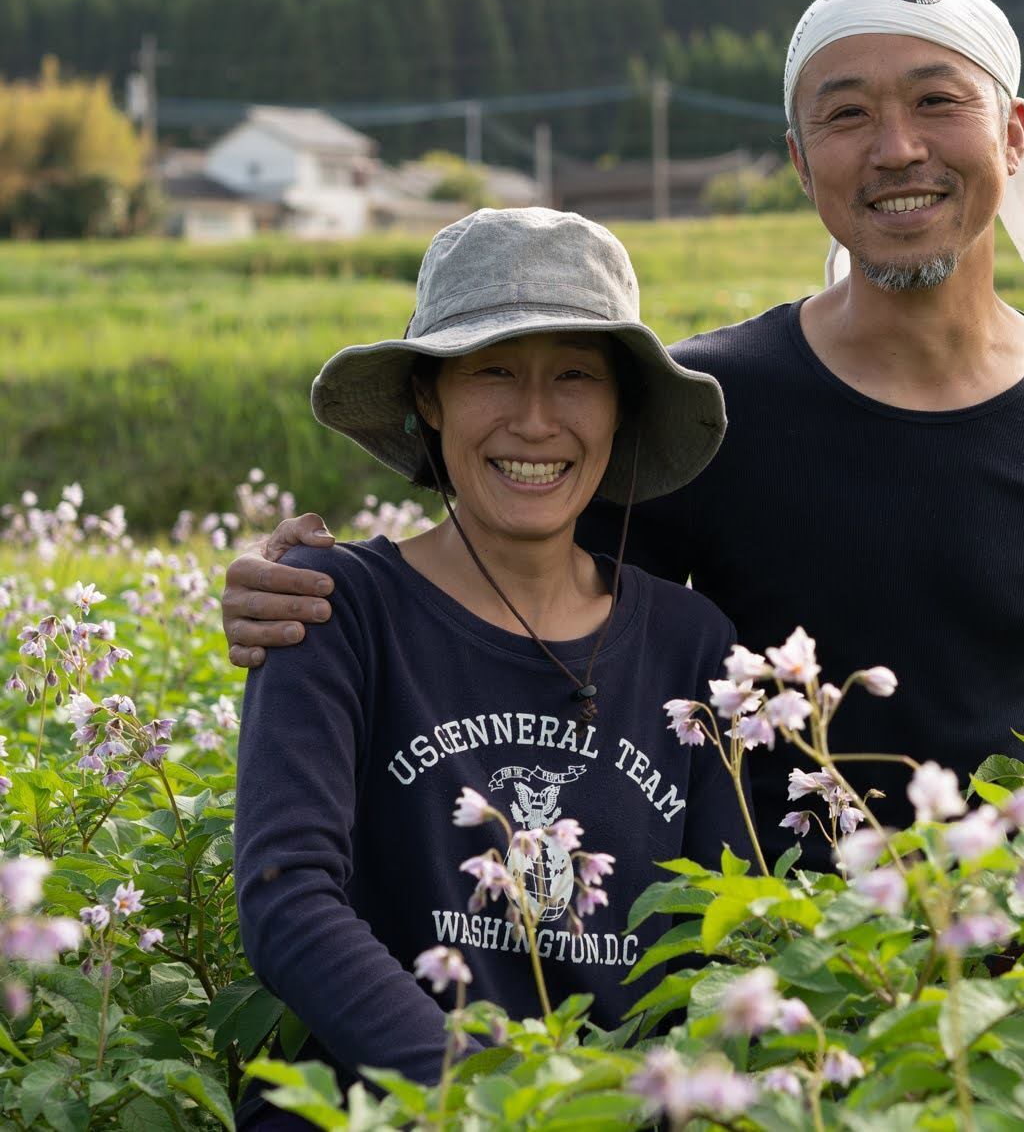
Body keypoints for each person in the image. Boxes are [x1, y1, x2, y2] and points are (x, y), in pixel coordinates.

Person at [223, 0, 1024, 867]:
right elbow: (525, 615)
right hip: (748, 943)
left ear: (1013, 135)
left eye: (937, 101)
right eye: (846, 114)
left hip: (1014, 950)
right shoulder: (706, 404)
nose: (896, 149)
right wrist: (326, 595)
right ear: (800, 161)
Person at [232, 208, 748, 1124]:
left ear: (621, 405)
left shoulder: (694, 645)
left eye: (577, 375)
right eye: (492, 371)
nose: (535, 420)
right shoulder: (333, 608)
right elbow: (288, 901)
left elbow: (721, 940)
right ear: (428, 398)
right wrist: (482, 1100)